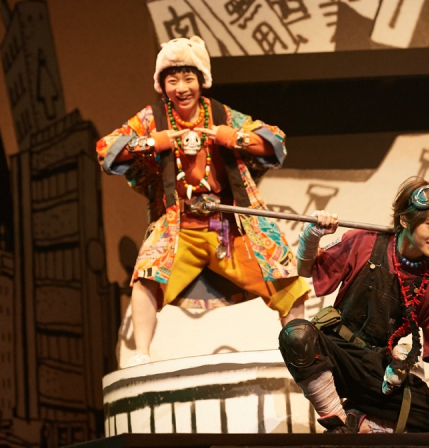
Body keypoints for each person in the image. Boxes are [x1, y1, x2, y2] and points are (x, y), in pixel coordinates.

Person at [96, 36, 309, 366]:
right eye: (172, 80)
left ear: (201, 80)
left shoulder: (221, 114)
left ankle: (302, 352)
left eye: (188, 78)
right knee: (146, 277)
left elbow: (275, 142)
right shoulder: (153, 118)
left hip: (230, 228)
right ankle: (141, 356)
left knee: (285, 277)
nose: (181, 88)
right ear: (162, 85)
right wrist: (153, 142)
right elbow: (105, 149)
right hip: (180, 228)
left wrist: (231, 137)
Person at [279, 177, 429, 433]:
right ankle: (340, 421)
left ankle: (360, 417)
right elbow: (305, 270)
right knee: (297, 334)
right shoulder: (363, 241)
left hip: (378, 373)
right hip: (336, 356)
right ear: (405, 220)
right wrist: (311, 235)